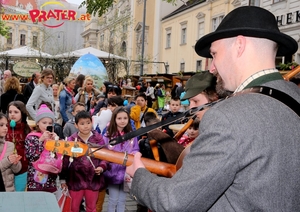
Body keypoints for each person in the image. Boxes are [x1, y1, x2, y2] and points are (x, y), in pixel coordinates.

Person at [126, 6, 300, 211]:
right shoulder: (294, 97)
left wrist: (139, 177)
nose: (211, 67)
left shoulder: (228, 116)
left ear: (239, 45)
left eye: (214, 54)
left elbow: (175, 202)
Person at [60, 111, 109, 212]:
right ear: (76, 125)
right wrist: (62, 179)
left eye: (88, 123)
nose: (86, 126)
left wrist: (101, 167)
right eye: (82, 124)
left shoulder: (98, 139)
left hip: (93, 179)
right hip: (75, 179)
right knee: (73, 208)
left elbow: (106, 156)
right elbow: (65, 161)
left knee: (91, 208)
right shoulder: (72, 140)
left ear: (92, 122)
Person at [103, 106, 139, 212]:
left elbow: (136, 148)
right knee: (113, 199)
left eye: (125, 118)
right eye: (119, 118)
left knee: (123, 200)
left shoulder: (132, 135)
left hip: (126, 172)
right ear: (114, 119)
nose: (122, 121)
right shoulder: (108, 135)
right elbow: (105, 152)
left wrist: (134, 153)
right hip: (112, 171)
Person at [25, 104, 58, 192]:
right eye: (44, 122)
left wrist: (56, 142)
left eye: (50, 123)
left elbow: (58, 158)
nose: (47, 125)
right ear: (37, 123)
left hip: (50, 180)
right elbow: (31, 156)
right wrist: (40, 140)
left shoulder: (53, 138)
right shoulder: (31, 137)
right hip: (35, 180)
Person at [6, 101, 31, 191]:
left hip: (22, 169)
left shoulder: (27, 129)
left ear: (22, 113)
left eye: (16, 112)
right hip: (6, 169)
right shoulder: (4, 128)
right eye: (10, 112)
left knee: (18, 193)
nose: (12, 114)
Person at [0, 112, 22, 191]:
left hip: (9, 190)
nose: (5, 128)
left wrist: (15, 163)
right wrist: (8, 160)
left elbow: (17, 170)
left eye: (6, 125)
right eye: (1, 125)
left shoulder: (10, 145)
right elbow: (6, 162)